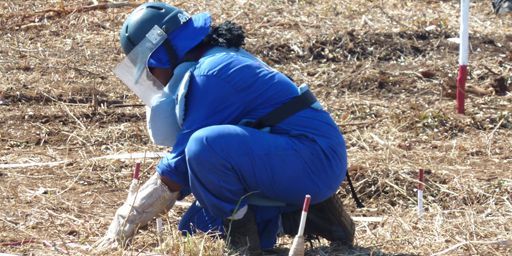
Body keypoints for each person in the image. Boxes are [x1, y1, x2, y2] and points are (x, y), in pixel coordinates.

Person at [94, 2, 355, 255]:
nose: (152, 79)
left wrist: (125, 221)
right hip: (300, 157)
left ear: (162, 55)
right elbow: (197, 175)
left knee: (203, 146)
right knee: (195, 229)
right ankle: (314, 217)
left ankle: (244, 246)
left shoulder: (210, 75)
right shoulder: (213, 61)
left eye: (150, 69)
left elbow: (180, 167)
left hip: (313, 160)